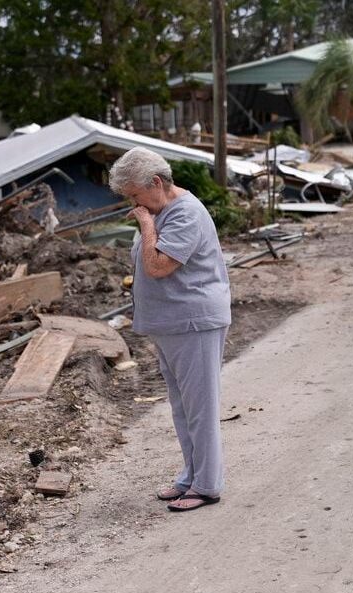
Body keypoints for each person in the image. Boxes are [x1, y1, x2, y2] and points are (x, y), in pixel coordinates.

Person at [108, 148, 231, 512]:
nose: (133, 204)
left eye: (135, 195)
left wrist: (146, 226)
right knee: (183, 406)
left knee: (200, 406)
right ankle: (191, 475)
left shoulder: (185, 214)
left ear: (156, 183)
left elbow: (159, 265)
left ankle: (207, 484)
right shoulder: (161, 210)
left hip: (193, 322)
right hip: (171, 324)